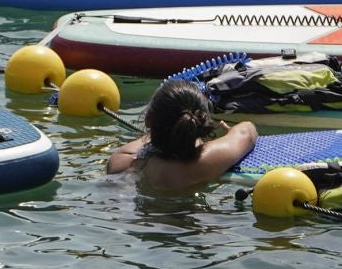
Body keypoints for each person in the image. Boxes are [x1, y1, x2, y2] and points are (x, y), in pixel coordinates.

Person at [106, 79, 257, 191]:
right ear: (199, 125)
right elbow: (247, 131)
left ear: (148, 120)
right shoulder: (202, 163)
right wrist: (229, 133)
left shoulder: (120, 162)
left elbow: (144, 143)